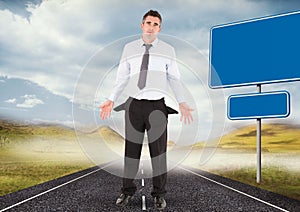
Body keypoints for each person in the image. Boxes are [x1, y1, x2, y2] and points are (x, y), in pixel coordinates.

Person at [100, 9, 193, 210]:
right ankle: (126, 192)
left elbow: (174, 79)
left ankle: (159, 195)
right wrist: (110, 99)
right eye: (148, 23)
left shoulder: (168, 50)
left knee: (158, 154)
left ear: (160, 28)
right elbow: (122, 78)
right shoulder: (128, 48)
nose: (151, 27)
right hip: (133, 105)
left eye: (156, 24)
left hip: (157, 107)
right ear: (142, 25)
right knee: (131, 153)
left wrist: (182, 101)